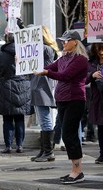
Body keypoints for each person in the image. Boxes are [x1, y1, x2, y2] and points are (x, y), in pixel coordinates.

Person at [34, 30, 88, 184]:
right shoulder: (64, 57)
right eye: (62, 41)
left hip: (75, 100)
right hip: (63, 100)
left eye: (66, 40)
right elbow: (51, 67)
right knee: (67, 134)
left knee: (69, 135)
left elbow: (65, 75)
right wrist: (34, 67)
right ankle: (75, 170)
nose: (63, 43)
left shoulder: (80, 59)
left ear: (75, 42)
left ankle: (77, 171)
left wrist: (46, 73)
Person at [0, 32, 32, 154]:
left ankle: (8, 145)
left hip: (6, 86)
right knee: (20, 118)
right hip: (23, 86)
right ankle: (20, 145)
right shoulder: (25, 52)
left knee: (7, 118)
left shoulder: (2, 54)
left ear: (7, 40)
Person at [30, 25, 60, 162]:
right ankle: (44, 151)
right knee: (43, 121)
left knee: (45, 120)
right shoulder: (41, 49)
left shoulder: (46, 49)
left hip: (43, 88)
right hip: (38, 88)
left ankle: (48, 151)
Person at [85, 43, 103, 164]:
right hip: (98, 98)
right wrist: (92, 75)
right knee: (101, 126)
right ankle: (102, 153)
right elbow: (84, 78)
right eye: (98, 49)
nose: (101, 52)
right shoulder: (92, 62)